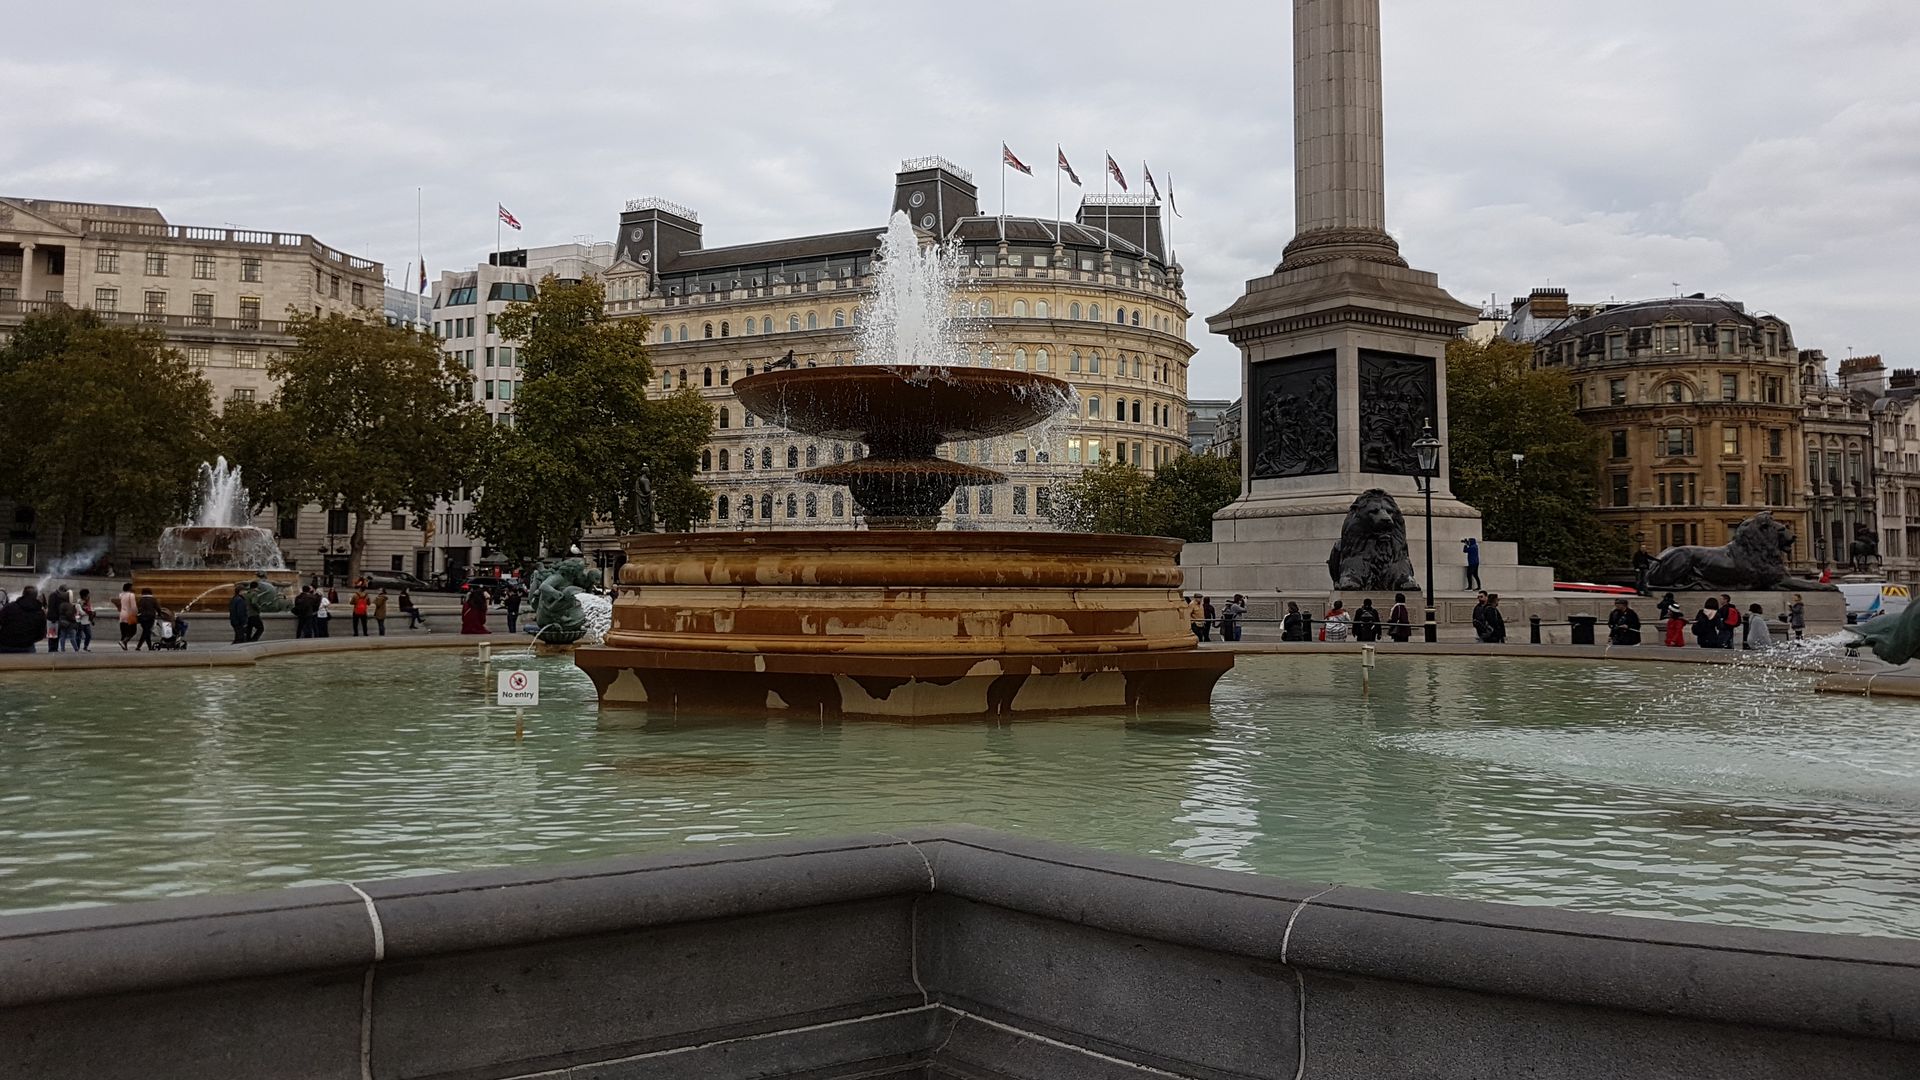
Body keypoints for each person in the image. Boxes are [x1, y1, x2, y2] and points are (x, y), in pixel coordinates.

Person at [0, 587, 46, 653]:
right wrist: (29, 640)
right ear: (36, 596)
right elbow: (41, 634)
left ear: (23, 594)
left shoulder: (9, 607)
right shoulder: (40, 612)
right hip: (27, 646)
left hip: (6, 644)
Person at [117, 582, 139, 651]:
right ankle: (123, 641)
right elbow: (133, 606)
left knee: (124, 631)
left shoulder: (121, 595)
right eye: (132, 587)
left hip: (122, 615)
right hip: (130, 615)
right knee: (133, 631)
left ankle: (124, 646)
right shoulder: (131, 595)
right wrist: (136, 614)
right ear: (129, 588)